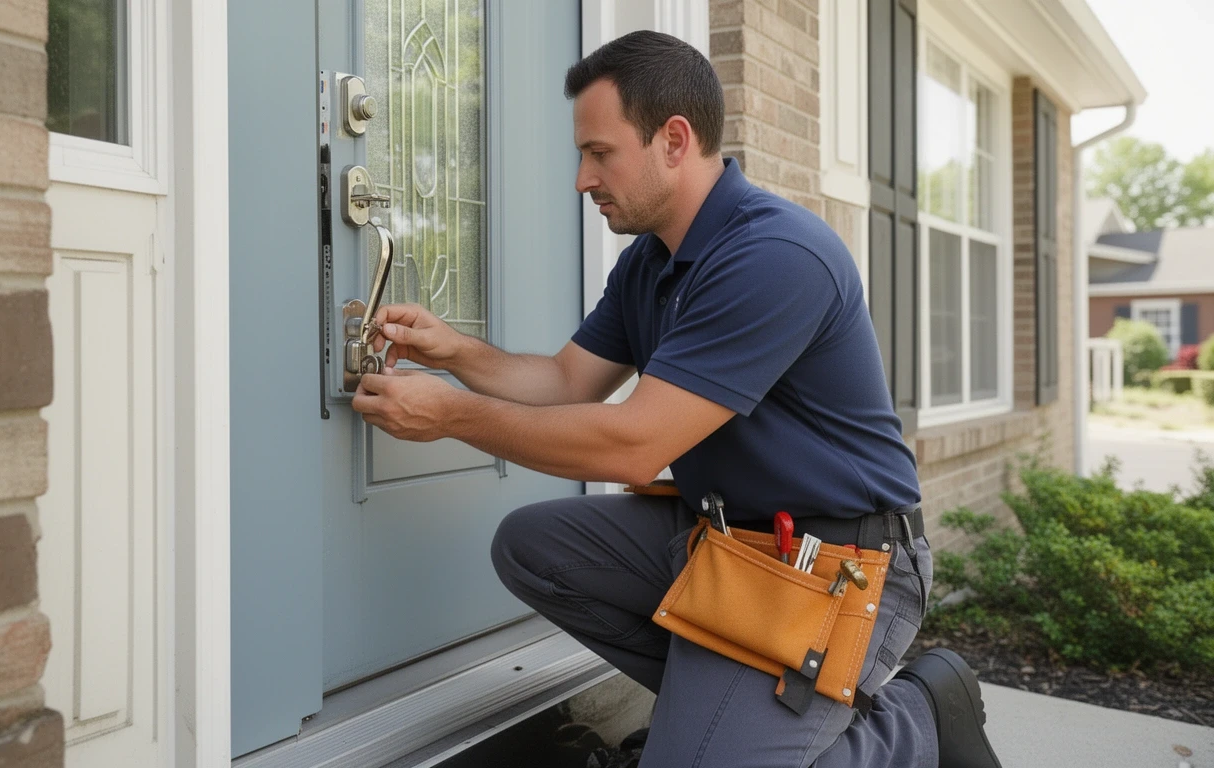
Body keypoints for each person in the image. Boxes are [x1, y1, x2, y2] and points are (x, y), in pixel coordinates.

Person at [352, 29, 1002, 768]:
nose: (582, 179)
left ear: (674, 139)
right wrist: (456, 353)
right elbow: (567, 382)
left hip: (840, 561)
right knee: (532, 549)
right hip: (726, 546)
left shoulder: (775, 255)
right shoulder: (650, 262)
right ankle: (732, 716)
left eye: (600, 153)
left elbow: (635, 442)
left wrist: (449, 415)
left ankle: (918, 721)